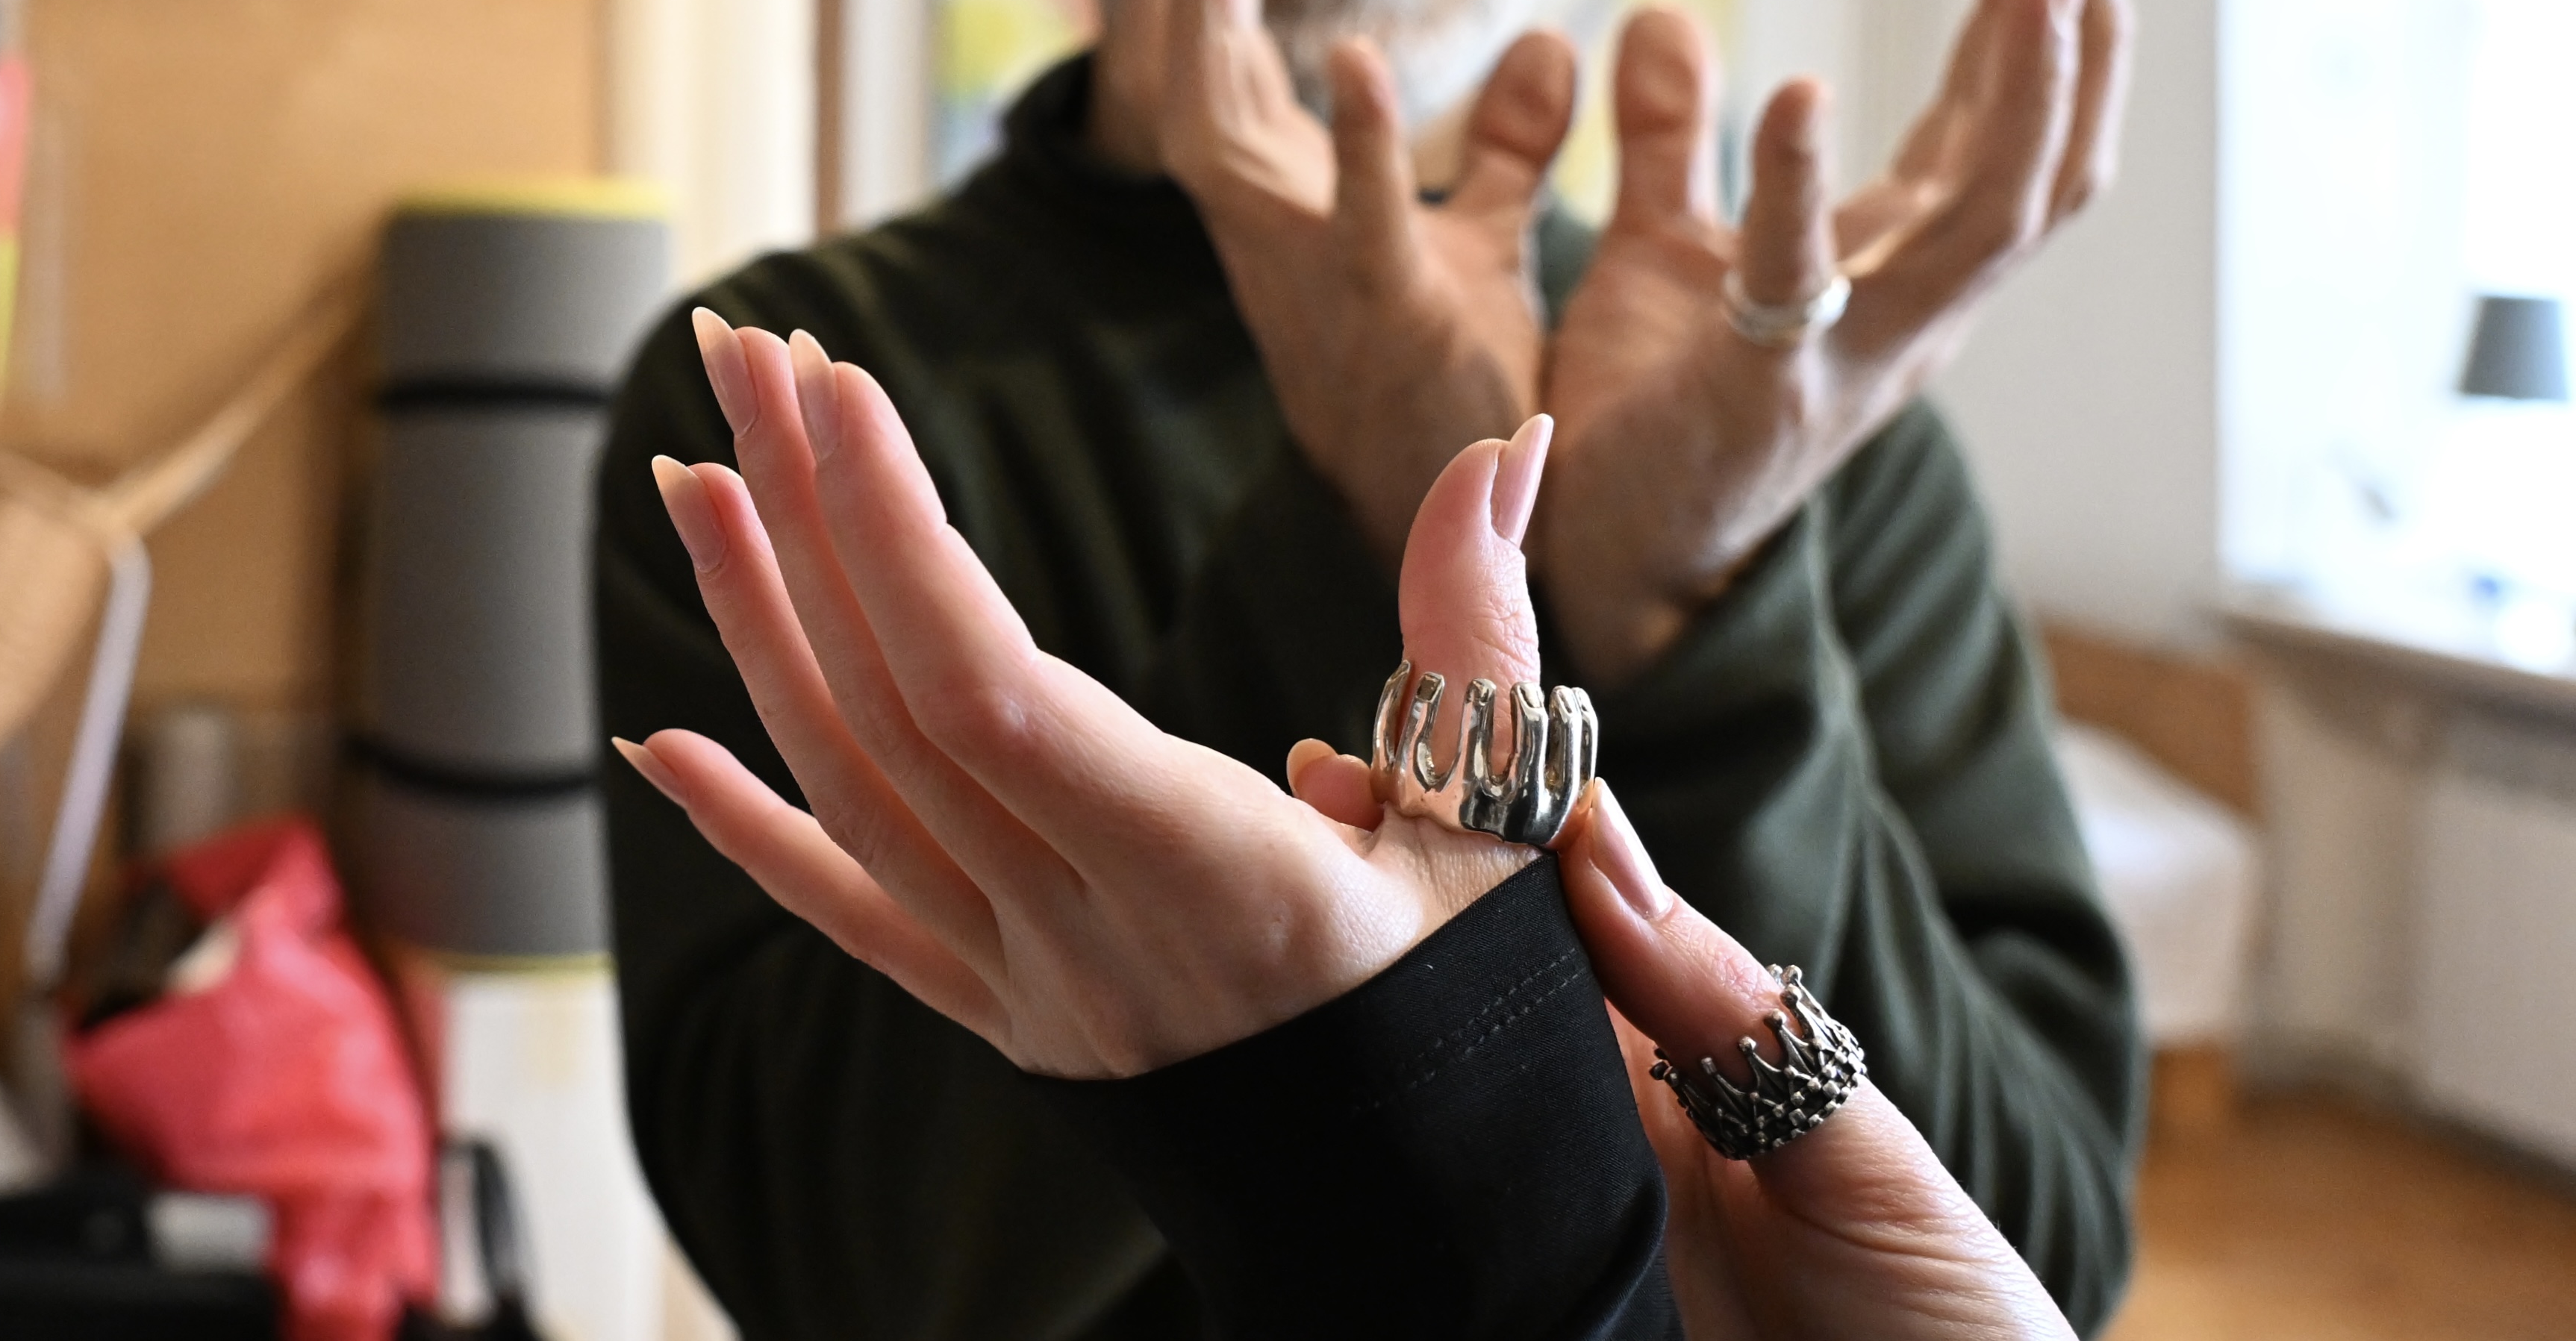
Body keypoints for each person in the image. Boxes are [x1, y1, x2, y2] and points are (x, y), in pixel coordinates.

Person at [596, 0, 2142, 1340]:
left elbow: (2034, 1249)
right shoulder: (800, 399)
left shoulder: (1804, 426)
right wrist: (1360, 540)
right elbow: (837, 1266)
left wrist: (1676, 618)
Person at [617, 322, 2074, 1340]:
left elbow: (2056, 1225)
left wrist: (1687, 623)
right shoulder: (837, 334)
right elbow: (819, 1272)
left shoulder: (1844, 428)